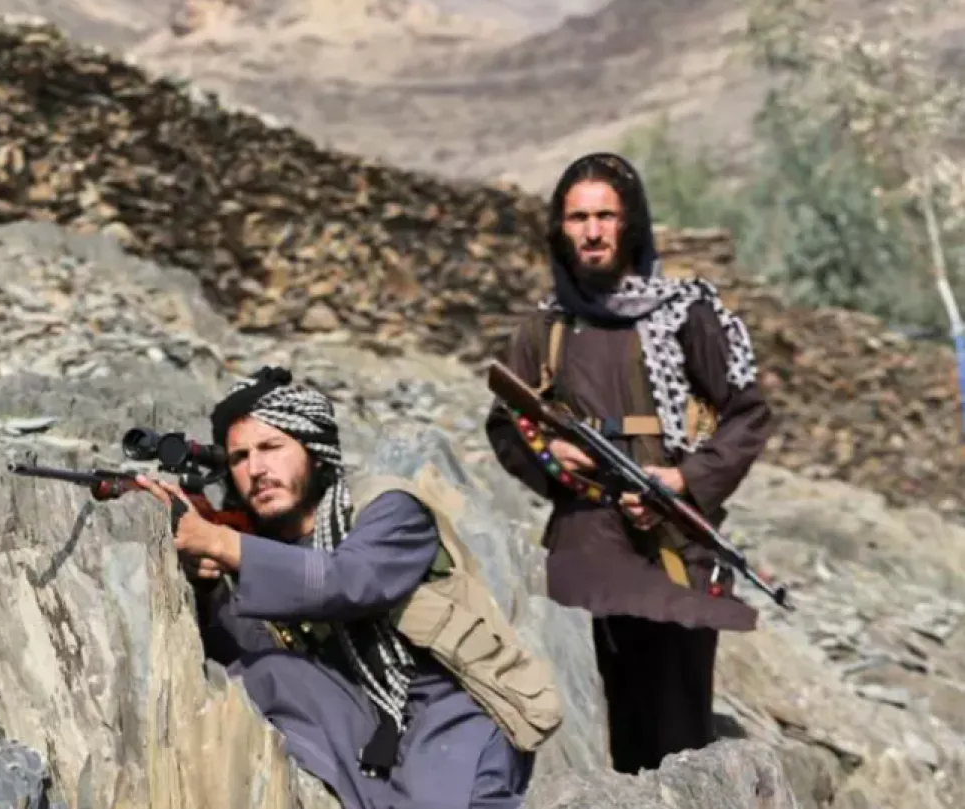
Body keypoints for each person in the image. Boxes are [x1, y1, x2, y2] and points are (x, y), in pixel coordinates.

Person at [484, 151, 775, 775]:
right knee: (593, 736)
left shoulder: (687, 313)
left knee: (677, 740)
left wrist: (684, 479)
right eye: (578, 217)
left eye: (606, 216)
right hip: (583, 547)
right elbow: (507, 425)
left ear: (631, 224)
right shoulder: (545, 327)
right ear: (560, 228)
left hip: (675, 549)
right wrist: (551, 456)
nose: (592, 231)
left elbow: (747, 414)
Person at [135, 367, 537, 809]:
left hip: (452, 707)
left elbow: (350, 581)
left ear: (314, 451)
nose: (256, 469)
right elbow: (249, 653)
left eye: (271, 448)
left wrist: (222, 543)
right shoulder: (266, 548)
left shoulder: (387, 508)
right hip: (363, 720)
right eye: (239, 458)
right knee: (267, 672)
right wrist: (206, 583)